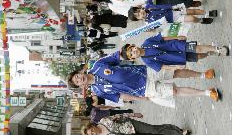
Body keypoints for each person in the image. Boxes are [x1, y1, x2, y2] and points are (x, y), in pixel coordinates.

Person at [67, 51, 221, 108]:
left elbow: (117, 56)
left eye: (77, 76)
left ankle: (202, 74)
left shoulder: (98, 65)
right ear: (81, 86)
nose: (79, 79)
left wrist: (133, 51)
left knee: (176, 72)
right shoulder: (98, 91)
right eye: (77, 81)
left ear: (79, 72)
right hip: (144, 89)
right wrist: (142, 98)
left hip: (144, 72)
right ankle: (207, 93)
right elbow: (120, 96)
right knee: (174, 91)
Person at [120, 33, 229, 73]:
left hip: (175, 45)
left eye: (132, 50)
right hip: (175, 58)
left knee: (197, 48)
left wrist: (177, 37)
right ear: (133, 59)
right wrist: (175, 67)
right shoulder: (147, 61)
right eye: (132, 55)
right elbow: (162, 67)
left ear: (133, 46)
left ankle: (217, 48)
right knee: (199, 56)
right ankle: (209, 53)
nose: (134, 52)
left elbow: (163, 38)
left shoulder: (147, 42)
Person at [81, 113, 191, 135]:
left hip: (132, 126)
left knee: (153, 129)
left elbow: (118, 116)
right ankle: (175, 132)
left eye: (91, 130)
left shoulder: (104, 121)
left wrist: (133, 114)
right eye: (91, 134)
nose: (93, 133)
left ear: (92, 126)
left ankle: (180, 132)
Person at [128, 0, 217, 24]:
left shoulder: (148, 6)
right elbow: (156, 28)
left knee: (192, 11)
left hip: (173, 9)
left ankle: (208, 13)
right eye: (138, 15)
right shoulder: (148, 22)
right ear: (139, 19)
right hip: (173, 19)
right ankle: (201, 20)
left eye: (139, 11)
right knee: (192, 18)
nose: (140, 13)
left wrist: (142, 4)